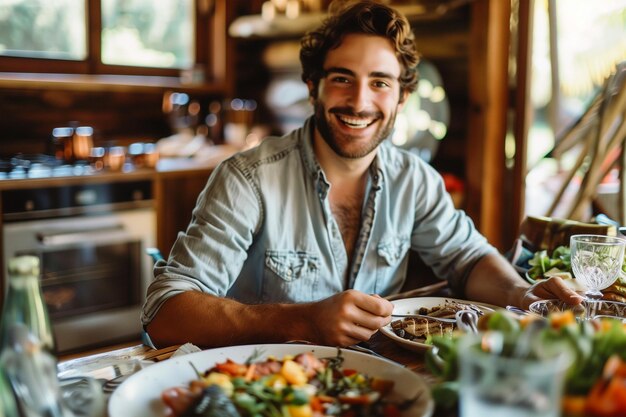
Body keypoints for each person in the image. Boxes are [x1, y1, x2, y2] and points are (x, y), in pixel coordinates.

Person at [142, 0, 582, 349]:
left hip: (371, 385)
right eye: (341, 78)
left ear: (403, 96)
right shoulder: (246, 178)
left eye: (380, 82)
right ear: (312, 85)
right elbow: (164, 312)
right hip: (260, 386)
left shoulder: (416, 180)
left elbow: (467, 260)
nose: (359, 102)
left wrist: (523, 294)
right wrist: (302, 319)